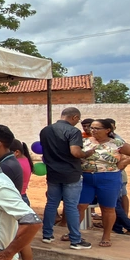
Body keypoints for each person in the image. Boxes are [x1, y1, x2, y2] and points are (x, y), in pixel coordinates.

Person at [79, 118, 130, 247]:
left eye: (96, 128)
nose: (92, 130)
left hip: (108, 179)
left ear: (107, 130)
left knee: (107, 208)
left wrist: (124, 162)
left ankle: (106, 236)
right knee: (80, 206)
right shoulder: (84, 141)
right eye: (91, 128)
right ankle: (74, 233)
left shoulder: (117, 143)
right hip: (86, 178)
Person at [39, 107, 90, 250]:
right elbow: (75, 152)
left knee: (51, 204)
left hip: (53, 173)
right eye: (78, 120)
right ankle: (75, 240)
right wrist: (87, 153)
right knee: (71, 206)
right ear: (74, 117)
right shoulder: (73, 131)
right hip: (71, 173)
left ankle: (47, 235)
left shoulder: (46, 130)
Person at [11, 140, 37, 260]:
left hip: (18, 198)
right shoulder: (25, 159)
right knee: (23, 239)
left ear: (16, 152)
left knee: (19, 238)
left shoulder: (16, 164)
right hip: (23, 196)